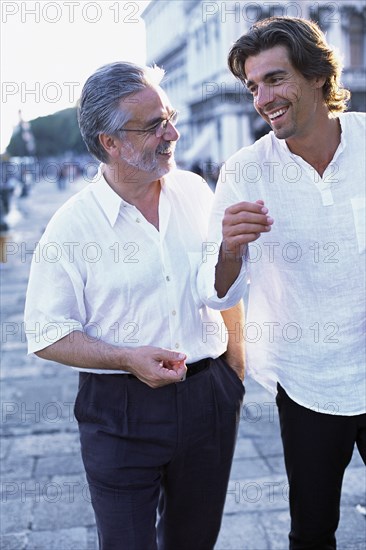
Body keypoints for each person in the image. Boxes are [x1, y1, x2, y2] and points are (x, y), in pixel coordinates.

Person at [24, 61, 245, 550]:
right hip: (119, 411)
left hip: (209, 397)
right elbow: (46, 333)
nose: (173, 133)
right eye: (154, 125)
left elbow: (222, 280)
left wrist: (234, 371)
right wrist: (125, 358)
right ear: (110, 141)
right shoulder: (70, 227)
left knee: (195, 541)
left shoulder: (194, 190)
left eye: (169, 116)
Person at [197, 16, 366, 550]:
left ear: (318, 75)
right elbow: (215, 291)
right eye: (253, 86)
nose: (262, 99)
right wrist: (229, 248)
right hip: (308, 379)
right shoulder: (245, 170)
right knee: (313, 531)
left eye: (275, 79)